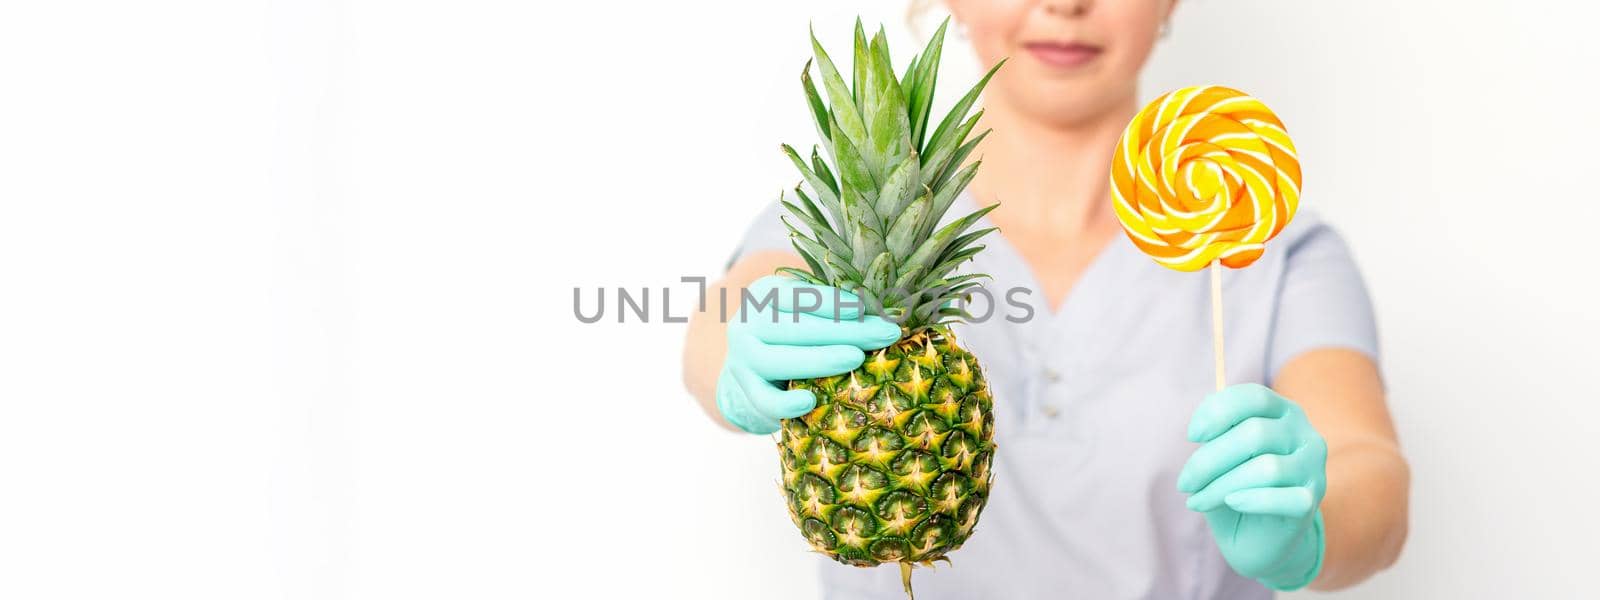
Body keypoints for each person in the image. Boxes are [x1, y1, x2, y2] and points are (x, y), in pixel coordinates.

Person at [681, 0, 1409, 597]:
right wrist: (745, 340)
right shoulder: (850, 216)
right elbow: (722, 320)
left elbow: (1370, 472)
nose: (1065, 5)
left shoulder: (1269, 245)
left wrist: (1307, 531)